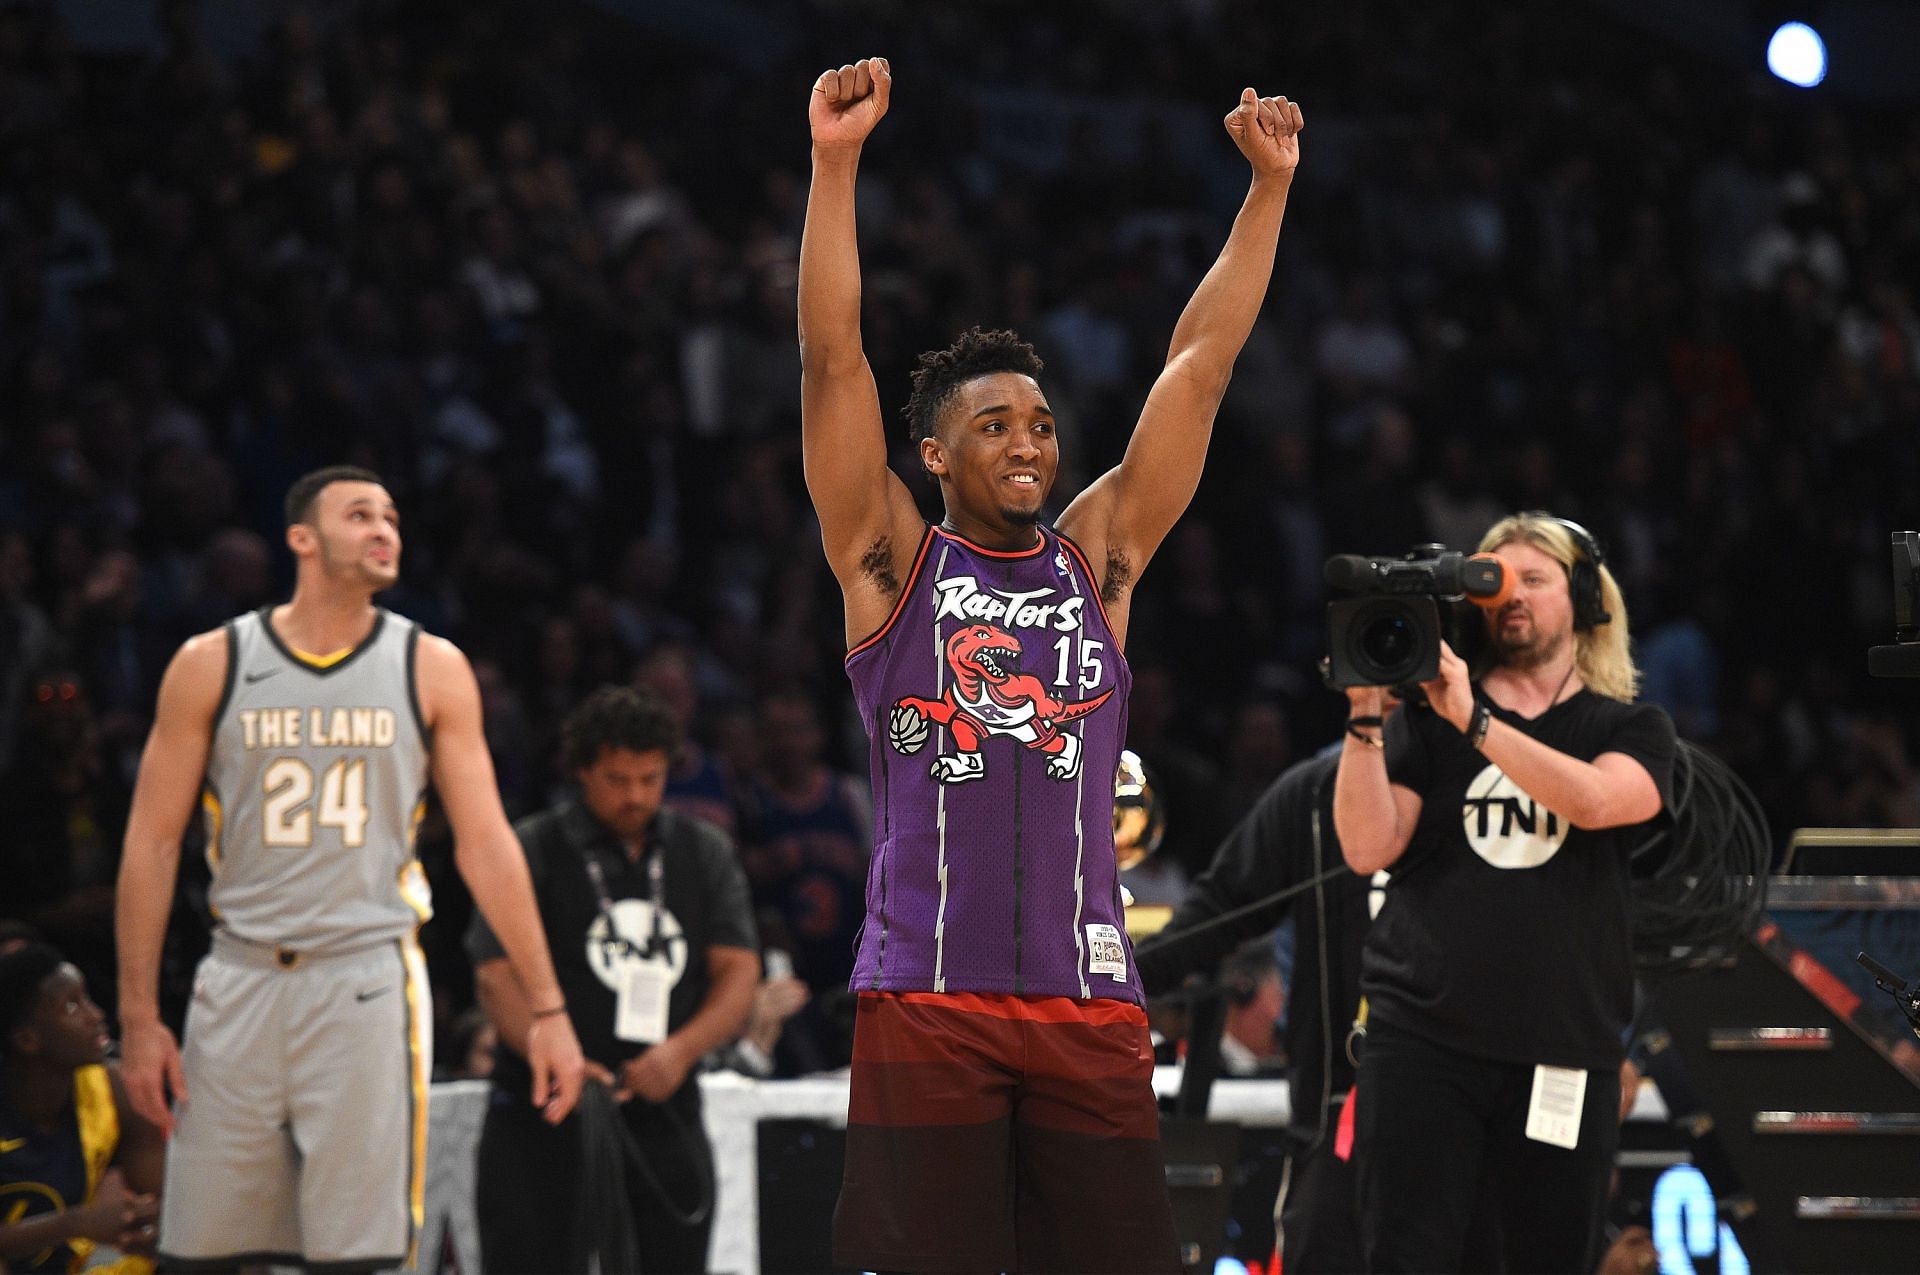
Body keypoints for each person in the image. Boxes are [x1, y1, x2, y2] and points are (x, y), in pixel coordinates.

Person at [800, 56, 1303, 1273]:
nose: (1029, 442)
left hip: (1089, 1001)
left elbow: (1200, 364)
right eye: (993, 425)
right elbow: (832, 363)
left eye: (1037, 421)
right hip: (927, 994)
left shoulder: (1102, 558)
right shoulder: (890, 565)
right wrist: (835, 166)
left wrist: (1269, 192)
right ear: (933, 455)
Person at [114, 465, 586, 1270]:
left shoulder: (429, 665)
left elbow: (486, 844)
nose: (384, 530)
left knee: (359, 1256)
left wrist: (548, 1006)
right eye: (360, 514)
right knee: (200, 1252)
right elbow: (151, 845)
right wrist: (135, 1015)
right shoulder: (212, 661)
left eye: (393, 518)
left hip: (365, 981)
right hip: (238, 976)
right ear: (301, 537)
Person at [1333, 512, 1677, 1274]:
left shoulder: (1631, 727)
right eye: (1495, 580)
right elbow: (1366, 847)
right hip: (1422, 1042)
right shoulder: (1427, 720)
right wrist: (1365, 713)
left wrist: (1474, 718)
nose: (1511, 595)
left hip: (1560, 1047)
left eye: (1535, 577)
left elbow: (1593, 801)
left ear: (1587, 597)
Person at [468, 685, 758, 1275]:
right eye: (618, 780)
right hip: (543, 1108)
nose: (636, 796)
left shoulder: (701, 850)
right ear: (583, 772)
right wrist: (552, 1054)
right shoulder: (534, 847)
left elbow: (738, 971)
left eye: (649, 780)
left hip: (665, 1104)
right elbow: (496, 976)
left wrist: (681, 1053)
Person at [1135, 744, 1374, 1274]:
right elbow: (1217, 912)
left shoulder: (1492, 773)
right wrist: (1098, 983)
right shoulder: (1316, 792)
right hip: (1336, 1114)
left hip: (1474, 1114)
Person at [2, 942, 162, 1275]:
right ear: (27, 1040)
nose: (97, 1015)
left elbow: (162, 1201)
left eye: (86, 998)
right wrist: (72, 1223)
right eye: (72, 1006)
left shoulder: (115, 1088)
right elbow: (76, 1223)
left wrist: (148, 1229)